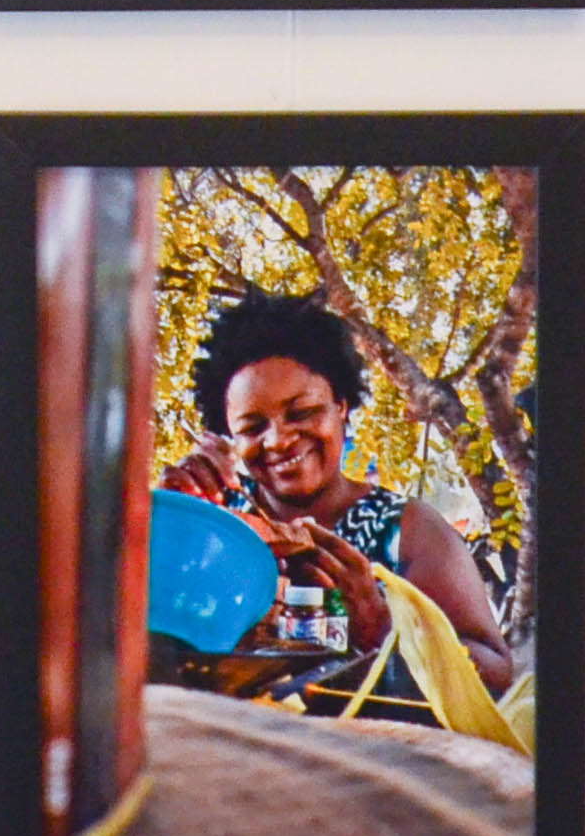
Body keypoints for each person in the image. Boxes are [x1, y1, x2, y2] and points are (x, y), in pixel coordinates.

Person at [160, 291, 520, 708]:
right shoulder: (218, 526)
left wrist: (382, 626)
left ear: (341, 407)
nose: (279, 440)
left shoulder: (406, 531)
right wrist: (166, 521)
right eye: (253, 428)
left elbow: (496, 676)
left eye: (302, 413)